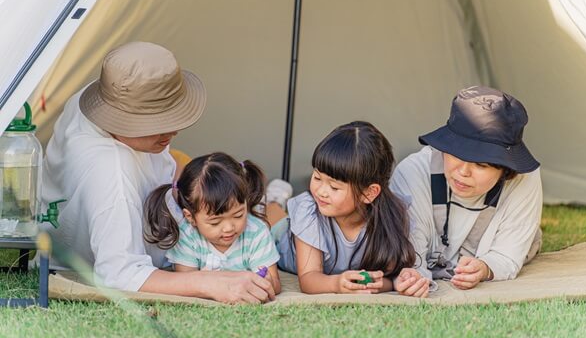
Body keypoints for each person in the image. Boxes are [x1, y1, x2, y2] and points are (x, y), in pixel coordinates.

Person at [42, 41, 275, 303]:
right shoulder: (112, 175)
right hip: (86, 259)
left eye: (173, 117)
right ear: (121, 120)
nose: (173, 131)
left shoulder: (97, 96)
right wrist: (211, 282)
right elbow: (119, 274)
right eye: (160, 124)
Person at [390, 86, 543, 290]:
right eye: (456, 154)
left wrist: (486, 267)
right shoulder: (412, 172)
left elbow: (508, 254)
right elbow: (409, 253)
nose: (463, 172)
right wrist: (415, 277)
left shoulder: (525, 180)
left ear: (506, 170)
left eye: (481, 164)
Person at [275, 121, 429, 297]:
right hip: (282, 239)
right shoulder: (309, 210)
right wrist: (336, 284)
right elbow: (309, 279)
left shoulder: (392, 216)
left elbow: (387, 279)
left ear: (369, 193)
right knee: (269, 221)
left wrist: (391, 282)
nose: (321, 191)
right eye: (317, 177)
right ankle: (274, 201)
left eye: (334, 187)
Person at [144, 152, 281, 294]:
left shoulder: (256, 232)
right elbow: (186, 281)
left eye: (238, 215)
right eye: (215, 222)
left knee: (275, 213)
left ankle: (277, 198)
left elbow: (274, 283)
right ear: (190, 217)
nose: (229, 228)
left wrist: (267, 282)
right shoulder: (187, 235)